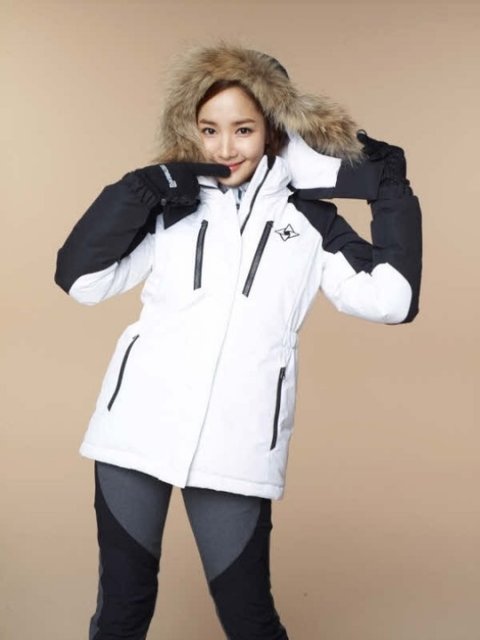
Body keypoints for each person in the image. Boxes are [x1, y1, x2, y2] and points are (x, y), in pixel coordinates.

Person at [55, 44, 422, 640]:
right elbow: (81, 281)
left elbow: (392, 301)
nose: (225, 147)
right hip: (134, 430)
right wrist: (140, 188)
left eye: (244, 129)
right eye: (209, 129)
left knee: (250, 619)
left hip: (238, 442)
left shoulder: (313, 223)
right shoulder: (170, 208)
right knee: (122, 611)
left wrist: (391, 187)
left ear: (275, 130)